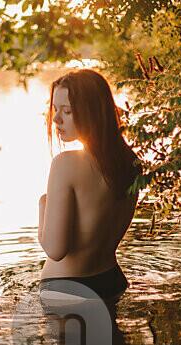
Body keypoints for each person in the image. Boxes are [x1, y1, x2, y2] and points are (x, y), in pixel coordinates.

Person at [38, 69, 141, 301]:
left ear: (92, 112)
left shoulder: (65, 164)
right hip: (112, 281)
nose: (56, 119)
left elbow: (55, 250)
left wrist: (42, 206)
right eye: (55, 109)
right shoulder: (131, 162)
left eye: (67, 111)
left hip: (67, 291)